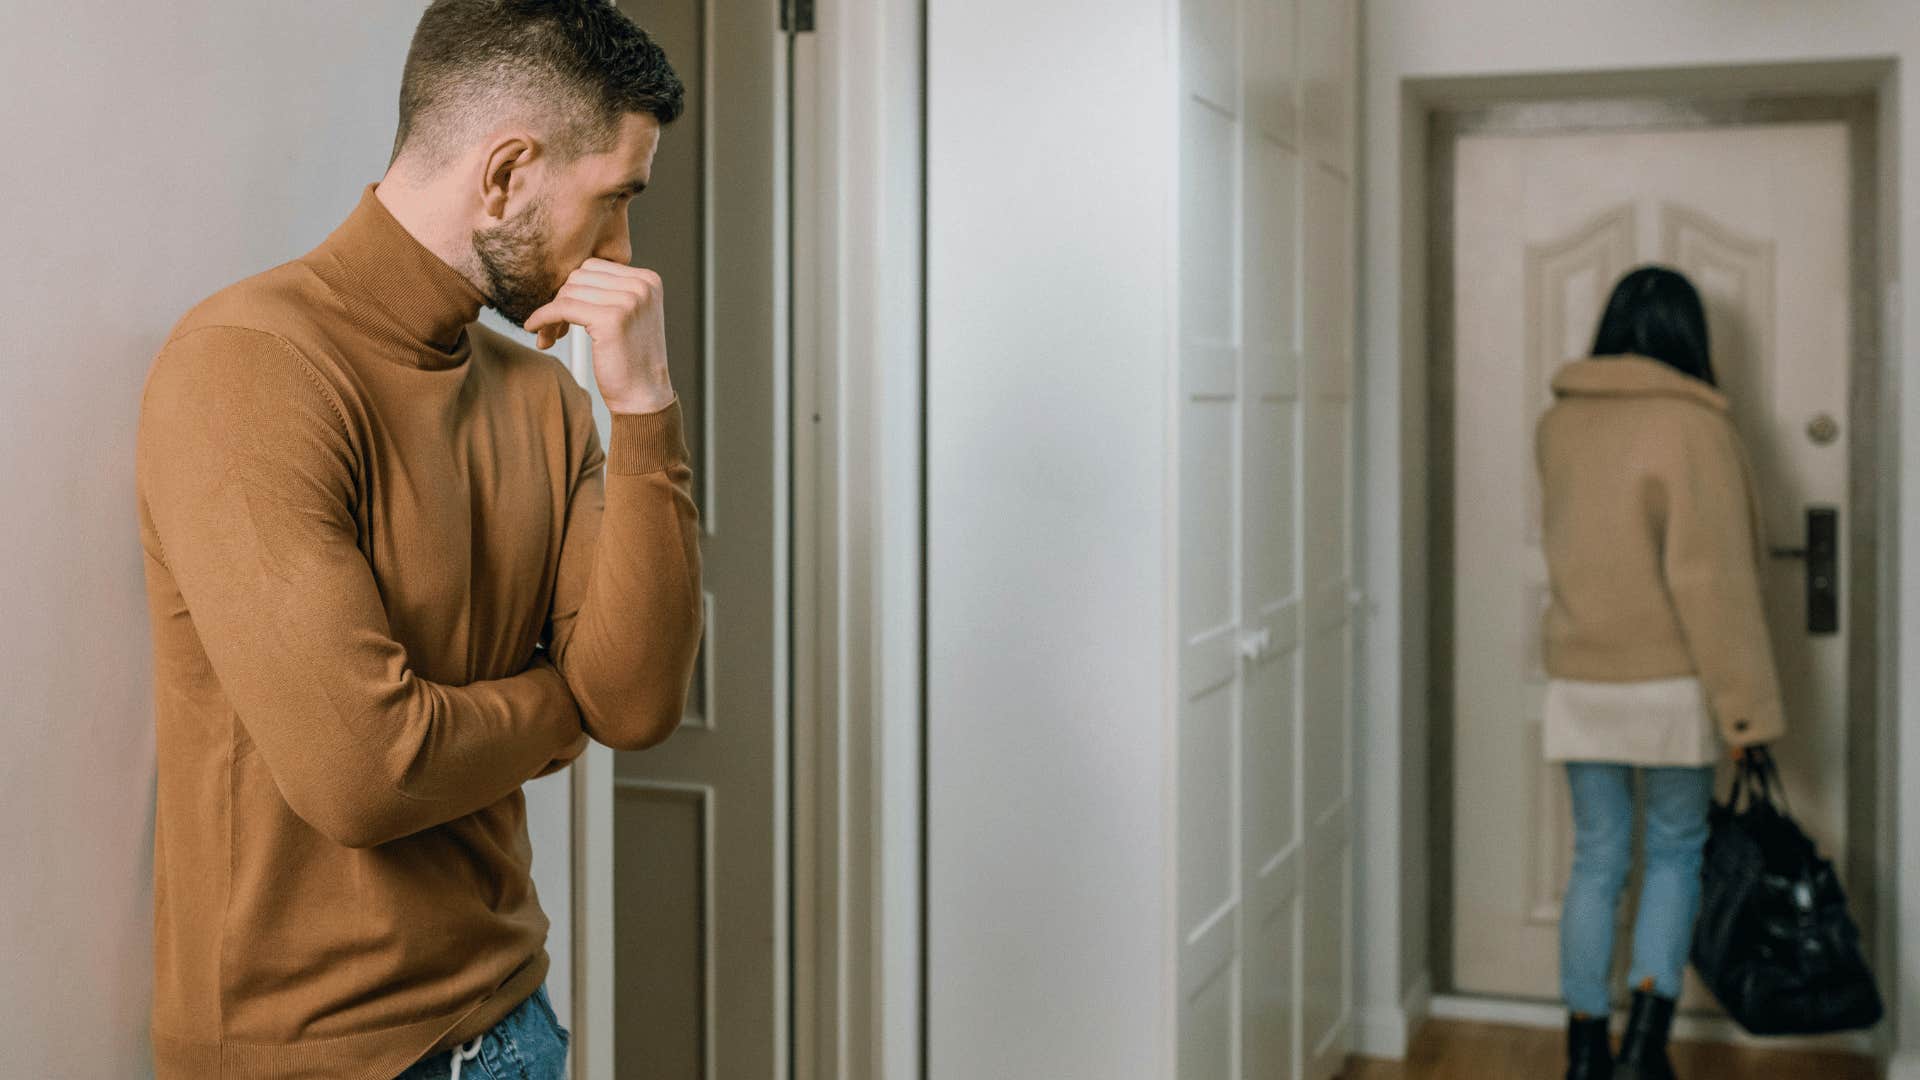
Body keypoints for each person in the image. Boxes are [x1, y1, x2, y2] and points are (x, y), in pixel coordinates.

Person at [133, 3, 702, 1077]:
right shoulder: (250, 363)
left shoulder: (543, 395)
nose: (625, 255)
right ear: (505, 176)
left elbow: (631, 704)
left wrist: (645, 406)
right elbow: (366, 776)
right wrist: (552, 703)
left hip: (516, 1020)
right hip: (323, 1058)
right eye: (615, 202)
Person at [1536, 266, 1786, 1080]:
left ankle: (1583, 1053)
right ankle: (1643, 1050)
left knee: (1598, 860)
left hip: (1581, 678)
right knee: (1674, 856)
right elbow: (1712, 586)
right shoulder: (1695, 428)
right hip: (1673, 685)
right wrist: (1746, 716)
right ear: (1688, 335)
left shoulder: (1558, 425)